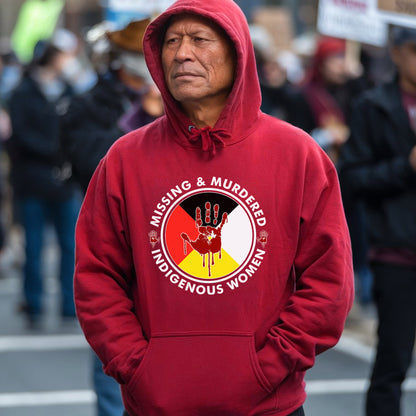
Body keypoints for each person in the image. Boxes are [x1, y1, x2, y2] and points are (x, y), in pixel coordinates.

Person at [74, 1, 354, 415]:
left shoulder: (297, 154)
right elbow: (97, 277)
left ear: (237, 52)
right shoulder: (124, 159)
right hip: (156, 404)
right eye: (171, 41)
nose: (182, 53)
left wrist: (271, 364)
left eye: (200, 40)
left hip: (268, 405)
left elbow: (329, 282)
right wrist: (136, 365)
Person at [62, 18, 163, 416]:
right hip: (114, 231)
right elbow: (89, 160)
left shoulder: (176, 96)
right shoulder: (89, 103)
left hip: (164, 233)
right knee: (114, 334)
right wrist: (139, 123)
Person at [338, 26, 416, 416]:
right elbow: (352, 178)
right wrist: (406, 167)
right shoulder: (374, 105)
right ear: (397, 53)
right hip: (397, 252)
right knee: (393, 361)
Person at [7, 38, 81, 328]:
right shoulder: (23, 92)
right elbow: (21, 136)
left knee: (69, 246)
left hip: (64, 182)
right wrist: (55, 152)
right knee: (34, 245)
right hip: (33, 179)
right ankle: (34, 305)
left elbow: (80, 126)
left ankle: (68, 305)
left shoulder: (70, 89)